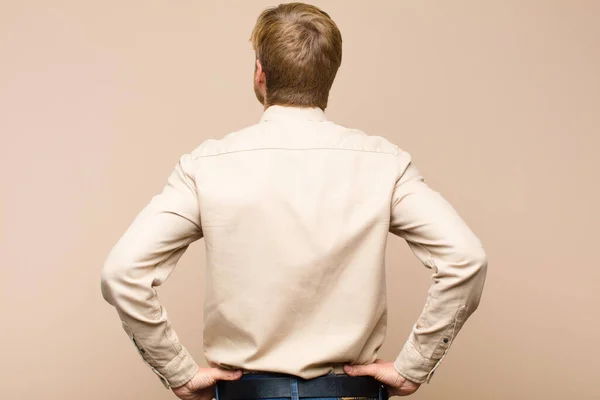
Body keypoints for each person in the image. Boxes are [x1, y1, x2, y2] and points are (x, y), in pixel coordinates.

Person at [100, 2, 488, 400]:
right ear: (329, 75)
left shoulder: (206, 166)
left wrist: (177, 372)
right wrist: (414, 366)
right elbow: (465, 258)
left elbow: (123, 273)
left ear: (260, 73)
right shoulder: (384, 163)